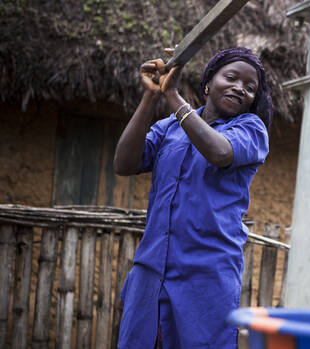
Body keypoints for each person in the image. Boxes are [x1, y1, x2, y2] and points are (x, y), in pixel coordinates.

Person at [113, 47, 272, 348]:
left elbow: (220, 152)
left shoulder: (251, 130)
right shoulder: (169, 129)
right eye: (232, 78)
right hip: (151, 271)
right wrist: (152, 96)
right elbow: (124, 164)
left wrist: (173, 96)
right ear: (208, 83)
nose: (240, 88)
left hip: (206, 277)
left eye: (250, 88)